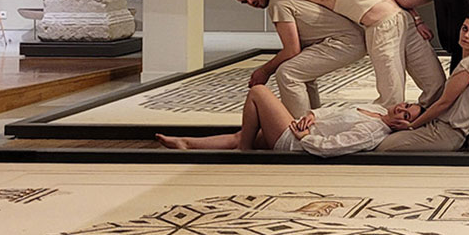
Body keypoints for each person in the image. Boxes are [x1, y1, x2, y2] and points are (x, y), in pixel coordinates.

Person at [279, 0, 446, 113]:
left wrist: (418, 20)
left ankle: (429, 117)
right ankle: (387, 126)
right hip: (381, 32)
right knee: (392, 95)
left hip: (407, 23)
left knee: (436, 82)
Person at [229, 0, 365, 117]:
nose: (250, 2)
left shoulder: (277, 3)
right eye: (245, 2)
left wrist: (264, 71)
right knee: (301, 72)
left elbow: (291, 50)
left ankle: (299, 126)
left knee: (287, 73)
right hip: (353, 36)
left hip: (345, 41)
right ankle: (314, 122)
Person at [155, 84, 397, 156]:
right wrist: (313, 115)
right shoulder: (376, 109)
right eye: (406, 105)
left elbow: (332, 147)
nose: (401, 108)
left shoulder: (372, 131)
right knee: (244, 134)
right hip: (300, 128)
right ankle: (186, 143)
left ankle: (244, 152)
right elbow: (334, 112)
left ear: (404, 125)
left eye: (406, 114)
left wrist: (306, 137)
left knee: (259, 92)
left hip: (295, 142)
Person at [379, 14, 469, 153]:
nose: (466, 35)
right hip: (443, 127)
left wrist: (412, 126)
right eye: (464, 29)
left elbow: (443, 103)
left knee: (384, 146)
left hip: (447, 133)